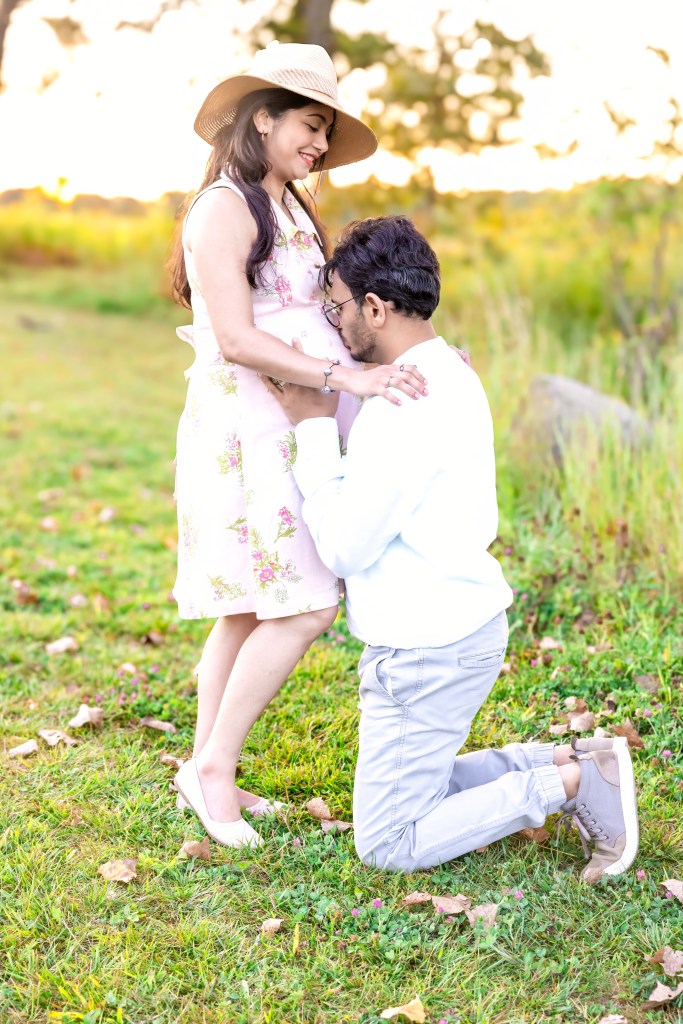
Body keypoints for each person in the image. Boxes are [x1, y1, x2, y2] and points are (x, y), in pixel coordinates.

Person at [264, 215, 639, 881]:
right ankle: (573, 760)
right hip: (455, 627)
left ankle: (572, 784)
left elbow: (346, 546)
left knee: (388, 841)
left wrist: (313, 431)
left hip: (426, 648)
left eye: (336, 306)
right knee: (415, 784)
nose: (333, 323)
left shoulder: (401, 402)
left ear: (374, 308)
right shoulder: (446, 371)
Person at [170, 43, 429, 849]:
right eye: (309, 125)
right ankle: (214, 767)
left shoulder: (286, 206)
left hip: (290, 418)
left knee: (253, 603)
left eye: (325, 132)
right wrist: (341, 378)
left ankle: (202, 767)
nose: (319, 144)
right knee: (307, 603)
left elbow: (326, 314)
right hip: (252, 425)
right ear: (262, 119)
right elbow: (236, 337)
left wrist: (412, 353)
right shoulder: (225, 206)